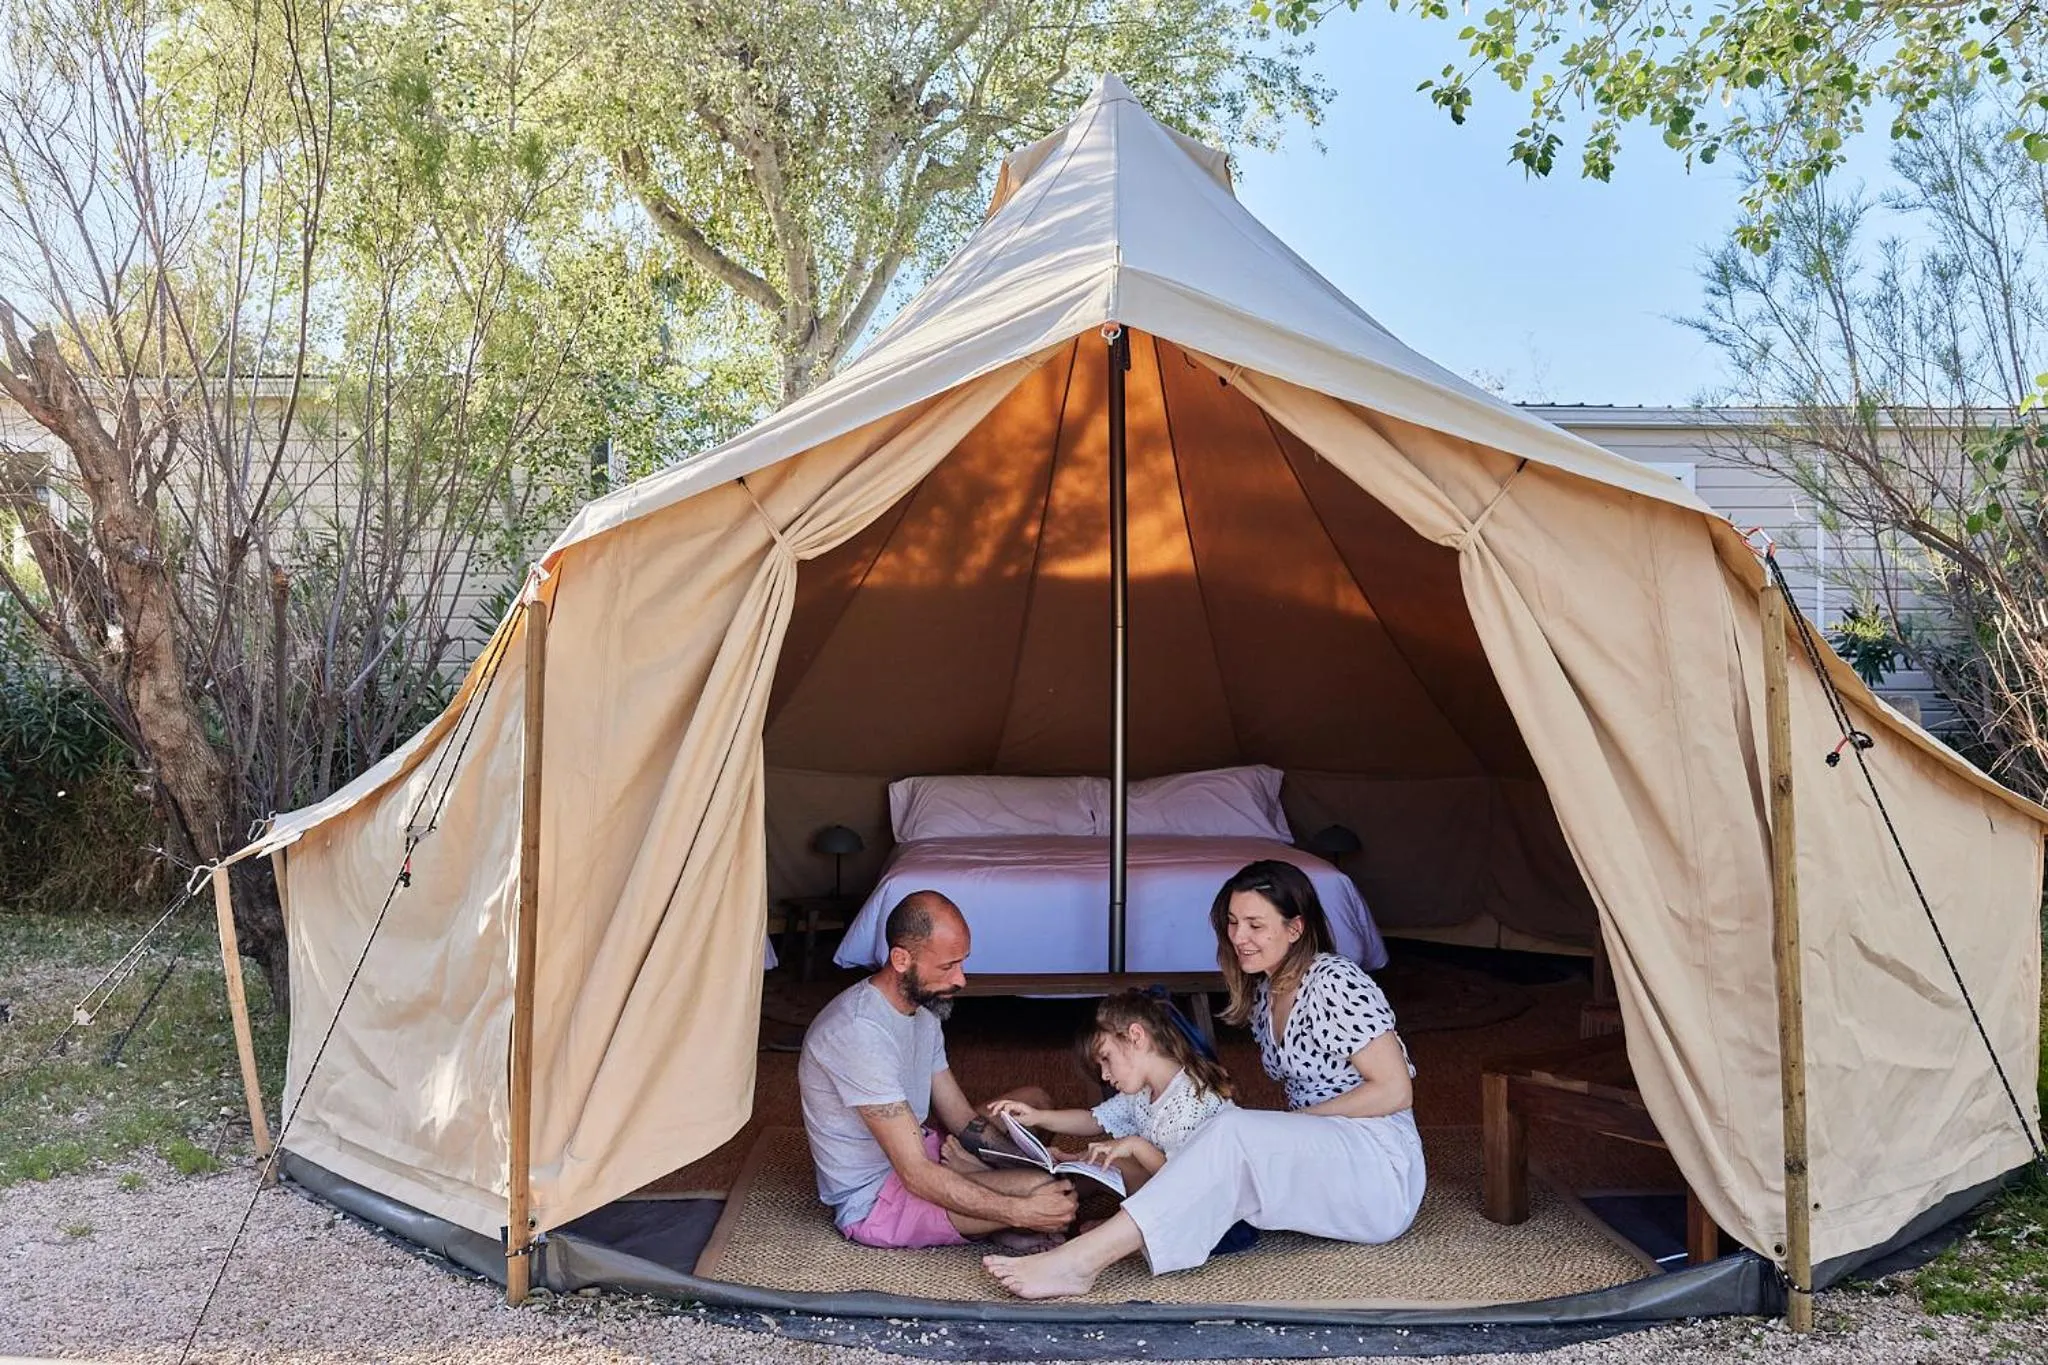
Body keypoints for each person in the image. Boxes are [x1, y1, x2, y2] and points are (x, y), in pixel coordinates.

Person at [984, 860, 1425, 1297]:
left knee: (1232, 1128)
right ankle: (1119, 1237)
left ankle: (1082, 1263)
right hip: (1332, 1158)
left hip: (1380, 1169)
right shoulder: (1267, 994)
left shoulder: (1334, 980)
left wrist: (1300, 1122)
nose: (1239, 937)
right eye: (1233, 923)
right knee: (1224, 1137)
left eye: (1255, 924)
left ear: (1295, 928)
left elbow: (1394, 1089)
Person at [799, 889, 1079, 1250]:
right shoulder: (858, 1033)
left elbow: (961, 1118)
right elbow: (914, 1173)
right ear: (901, 959)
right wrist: (1019, 1210)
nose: (961, 979)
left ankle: (994, 1217)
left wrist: (1027, 1157)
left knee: (1035, 1103)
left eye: (961, 963)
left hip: (926, 1152)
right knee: (1046, 1193)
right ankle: (1004, 1222)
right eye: (948, 967)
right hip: (877, 1199)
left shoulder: (923, 1012)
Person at [983, 988, 1238, 1193]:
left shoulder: (1190, 1099)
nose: (1104, 1076)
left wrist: (1135, 1146)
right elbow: (1094, 1120)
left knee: (1115, 1156)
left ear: (1136, 1037)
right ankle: (1046, 1187)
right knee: (1103, 1156)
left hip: (1202, 1206)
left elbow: (1183, 1182)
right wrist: (1037, 1117)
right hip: (1169, 1188)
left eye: (1106, 1058)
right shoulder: (1143, 1092)